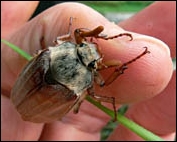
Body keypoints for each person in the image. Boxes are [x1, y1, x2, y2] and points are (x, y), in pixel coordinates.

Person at [1, 1, 176, 141]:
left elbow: (62, 39)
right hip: (29, 103)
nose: (91, 49)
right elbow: (101, 86)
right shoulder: (70, 81)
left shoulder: (49, 54)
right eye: (84, 46)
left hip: (27, 100)